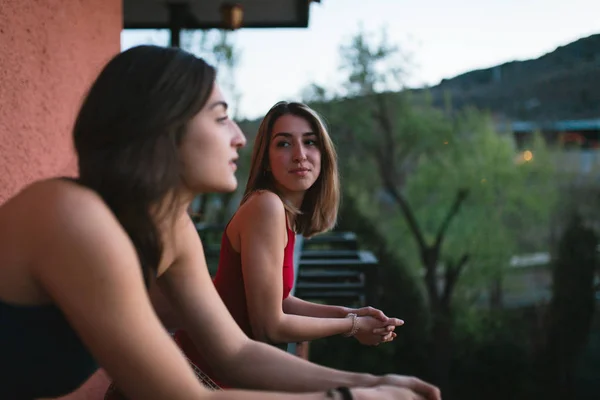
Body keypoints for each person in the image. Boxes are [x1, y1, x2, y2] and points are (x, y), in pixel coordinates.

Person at [0, 45, 440, 400]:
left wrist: (374, 383)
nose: (239, 137)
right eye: (221, 116)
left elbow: (236, 351)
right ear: (165, 126)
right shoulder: (71, 216)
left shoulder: (172, 229)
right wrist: (353, 397)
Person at [175, 101, 405, 382]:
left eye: (310, 142)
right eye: (284, 144)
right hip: (195, 375)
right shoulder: (266, 207)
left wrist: (349, 313)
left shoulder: (282, 214)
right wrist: (352, 326)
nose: (299, 155)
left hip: (221, 373)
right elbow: (269, 326)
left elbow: (280, 301)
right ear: (266, 160)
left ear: (324, 154)